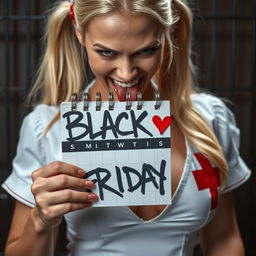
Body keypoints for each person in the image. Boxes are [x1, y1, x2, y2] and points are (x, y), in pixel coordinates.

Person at [2, 0, 251, 255]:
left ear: (167, 34)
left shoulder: (211, 120)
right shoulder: (46, 130)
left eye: (145, 51)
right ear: (80, 33)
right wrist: (41, 220)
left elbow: (224, 240)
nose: (127, 73)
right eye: (106, 52)